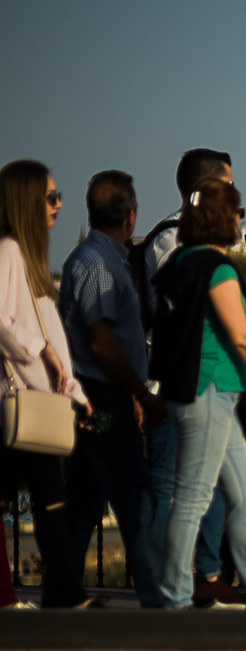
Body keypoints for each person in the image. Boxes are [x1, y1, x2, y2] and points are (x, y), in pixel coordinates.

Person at [150, 178, 246, 610]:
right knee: (194, 496)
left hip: (198, 390)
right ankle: (175, 594)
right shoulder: (218, 268)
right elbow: (242, 339)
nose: (240, 221)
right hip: (209, 389)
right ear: (222, 218)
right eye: (237, 212)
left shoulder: (180, 263)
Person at [58, 170, 164, 607]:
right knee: (134, 494)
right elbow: (102, 343)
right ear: (131, 216)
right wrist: (139, 392)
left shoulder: (89, 259)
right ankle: (157, 592)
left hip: (95, 398)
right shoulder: (101, 266)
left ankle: (61, 589)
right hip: (103, 399)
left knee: (85, 497)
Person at [142, 148, 237, 606]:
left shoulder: (186, 242)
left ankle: (201, 576)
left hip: (196, 382)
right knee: (169, 487)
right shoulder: (172, 242)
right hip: (176, 385)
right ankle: (176, 582)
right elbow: (179, 316)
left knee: (205, 483)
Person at [0, 158, 95, 609]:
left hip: (38, 400)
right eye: (51, 197)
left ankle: (65, 595)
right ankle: (66, 596)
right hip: (21, 400)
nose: (59, 205)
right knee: (51, 501)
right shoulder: (9, 252)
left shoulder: (28, 258)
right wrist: (43, 350)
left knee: (51, 500)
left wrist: (73, 392)